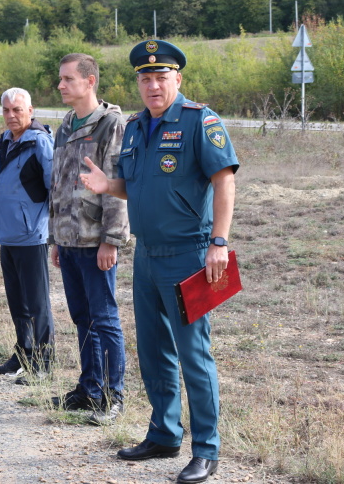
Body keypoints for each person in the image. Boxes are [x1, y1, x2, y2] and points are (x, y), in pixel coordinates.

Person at [80, 40, 239, 484]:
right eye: (145, 78)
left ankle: (206, 451)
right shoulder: (135, 128)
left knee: (194, 355)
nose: (152, 85)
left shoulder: (198, 122)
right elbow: (138, 187)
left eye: (161, 77)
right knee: (153, 352)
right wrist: (107, 185)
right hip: (147, 255)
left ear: (178, 80)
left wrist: (219, 242)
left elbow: (223, 182)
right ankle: (164, 434)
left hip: (190, 254)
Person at [47, 53, 130, 426]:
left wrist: (111, 240)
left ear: (90, 81)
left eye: (67, 79)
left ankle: (113, 396)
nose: (61, 85)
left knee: (105, 318)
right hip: (69, 239)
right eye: (60, 80)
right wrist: (54, 238)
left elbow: (115, 184)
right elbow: (58, 185)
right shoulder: (65, 125)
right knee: (82, 317)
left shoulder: (110, 124)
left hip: (96, 240)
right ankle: (89, 388)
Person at [0, 87, 55, 386]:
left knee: (38, 303)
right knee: (17, 301)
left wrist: (53, 234)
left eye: (17, 110)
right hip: (8, 234)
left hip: (32, 236)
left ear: (31, 110)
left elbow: (54, 187)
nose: (11, 115)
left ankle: (43, 363)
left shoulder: (40, 142)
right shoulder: (6, 140)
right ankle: (23, 355)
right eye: (6, 110)